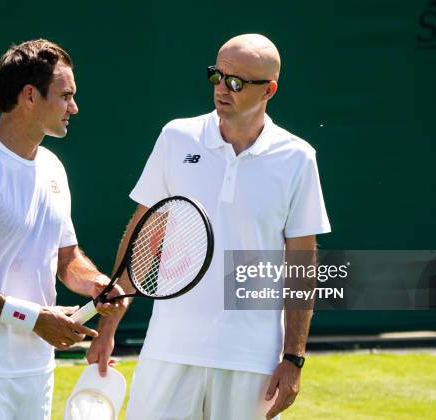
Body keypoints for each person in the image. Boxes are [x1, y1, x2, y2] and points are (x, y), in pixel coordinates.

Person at [90, 34, 331, 419]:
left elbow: (301, 264)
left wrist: (294, 358)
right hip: (168, 349)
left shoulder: (298, 158)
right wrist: (108, 327)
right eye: (216, 76)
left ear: (269, 90)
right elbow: (144, 239)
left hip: (251, 361)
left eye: (235, 82)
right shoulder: (176, 137)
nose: (222, 88)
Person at [0, 39, 123, 420]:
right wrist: (32, 318)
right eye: (66, 96)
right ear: (30, 96)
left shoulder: (53, 168)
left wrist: (95, 281)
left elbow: (66, 258)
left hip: (37, 370)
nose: (74, 108)